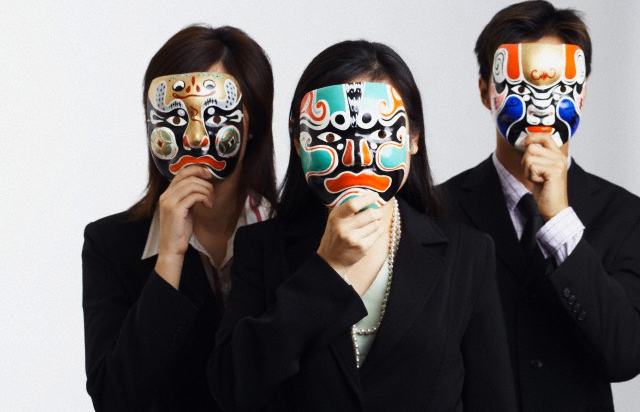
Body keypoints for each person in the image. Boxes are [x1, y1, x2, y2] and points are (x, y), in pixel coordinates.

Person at [208, 39, 516, 411]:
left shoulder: (467, 255)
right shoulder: (262, 246)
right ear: (300, 139)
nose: (356, 154)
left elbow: (494, 400)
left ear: (413, 139)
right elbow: (231, 388)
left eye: (377, 131)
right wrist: (327, 269)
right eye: (335, 132)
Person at [441, 0, 640, 411]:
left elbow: (626, 354)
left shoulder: (626, 215)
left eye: (561, 88)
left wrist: (560, 220)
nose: (540, 104)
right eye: (521, 87)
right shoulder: (436, 209)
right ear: (485, 92)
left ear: (582, 94)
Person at [82, 25, 277, 411]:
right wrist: (168, 259)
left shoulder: (294, 237)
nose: (194, 137)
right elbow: (115, 399)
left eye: (216, 112)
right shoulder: (111, 244)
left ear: (251, 122)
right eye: (172, 115)